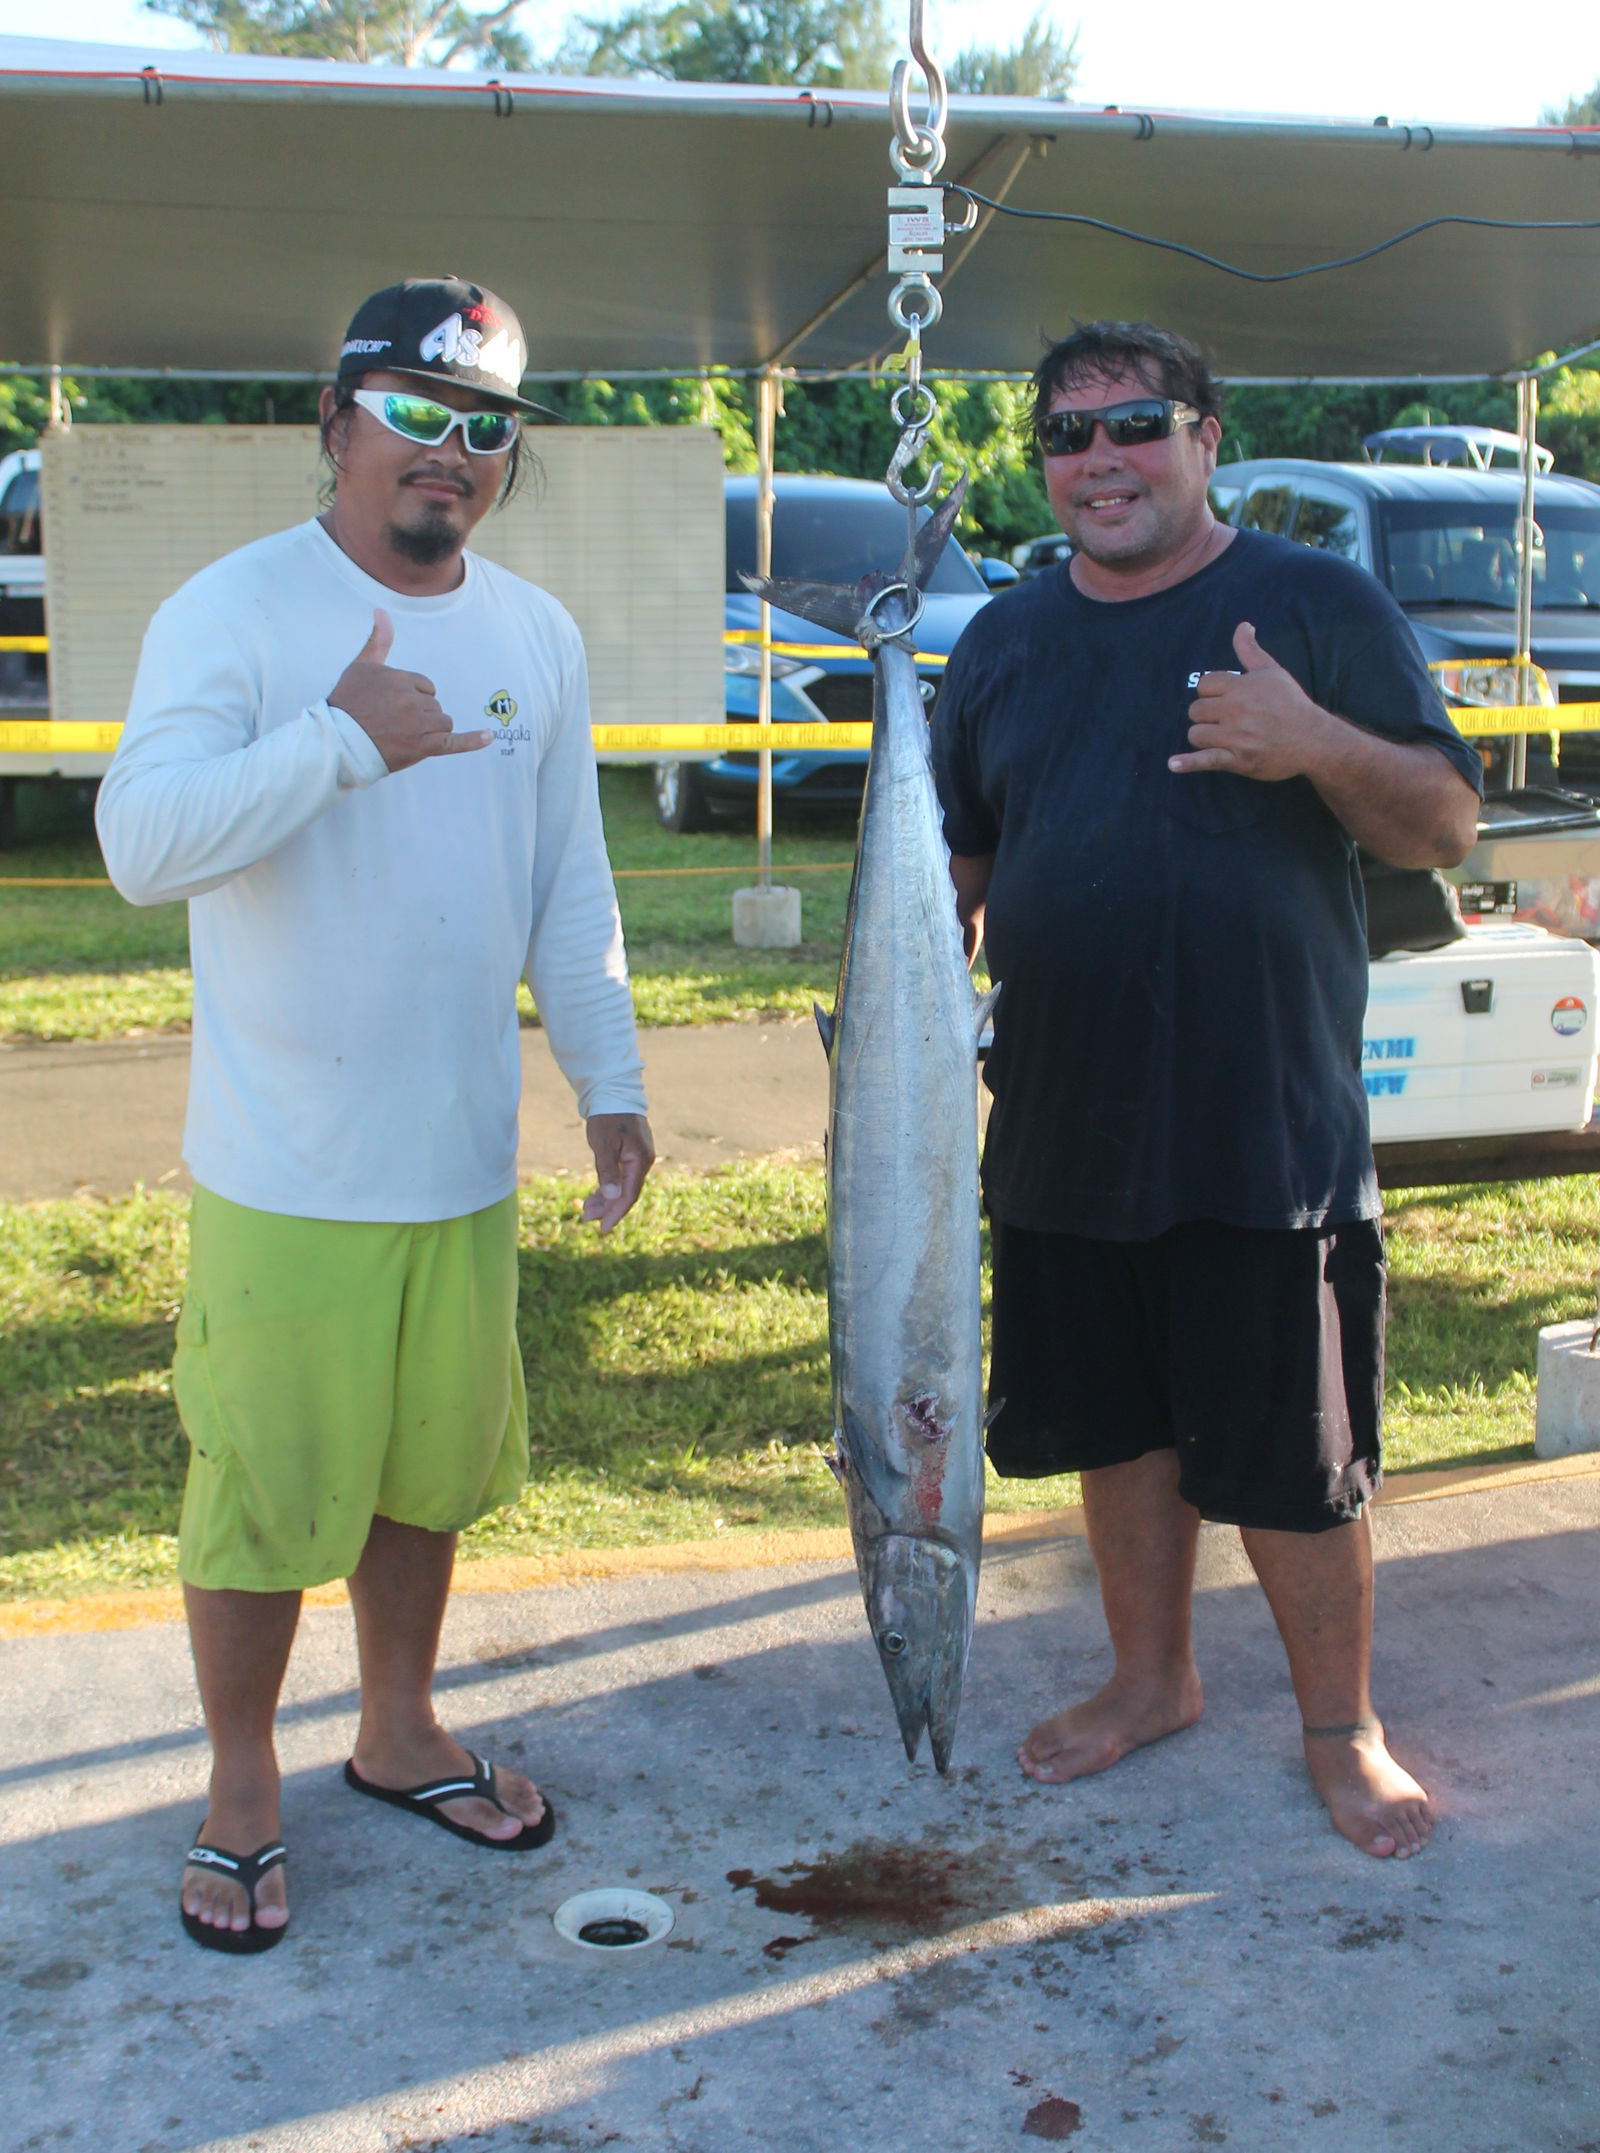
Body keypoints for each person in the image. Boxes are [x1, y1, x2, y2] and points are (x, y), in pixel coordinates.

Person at [97, 277, 655, 1951]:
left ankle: (399, 1726)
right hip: (286, 1169)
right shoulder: (235, 611)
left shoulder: (539, 636)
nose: (453, 452)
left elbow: (572, 877)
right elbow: (139, 843)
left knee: (430, 1477)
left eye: (487, 425)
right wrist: (341, 740)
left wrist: (609, 1077)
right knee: (262, 1495)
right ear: (334, 421)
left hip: (457, 1156)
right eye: (417, 410)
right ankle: (241, 1784)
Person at [932, 321, 1482, 1860]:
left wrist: (1308, 742)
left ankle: (1342, 1727)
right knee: (1116, 1423)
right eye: (1067, 435)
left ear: (1205, 437)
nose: (1099, 459)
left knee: (1296, 1462)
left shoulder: (1312, 603)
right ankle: (1151, 1677)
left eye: (1134, 426)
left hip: (1264, 1123)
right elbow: (956, 868)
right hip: (1057, 1116)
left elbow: (1444, 820)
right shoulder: (1004, 641)